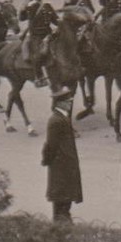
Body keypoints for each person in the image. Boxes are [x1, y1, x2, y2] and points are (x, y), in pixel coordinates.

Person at [42, 87, 83, 224]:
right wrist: (48, 160)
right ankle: (61, 223)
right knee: (61, 196)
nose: (70, 104)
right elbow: (51, 145)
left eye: (70, 101)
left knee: (65, 195)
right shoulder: (55, 120)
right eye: (67, 102)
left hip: (65, 164)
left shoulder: (62, 118)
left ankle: (63, 220)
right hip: (61, 165)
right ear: (60, 103)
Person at [20, 0, 58, 87]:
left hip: (48, 33)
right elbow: (22, 18)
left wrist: (60, 24)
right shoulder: (31, 6)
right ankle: (38, 76)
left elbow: (55, 19)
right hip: (36, 35)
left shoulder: (47, 5)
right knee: (38, 55)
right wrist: (23, 8)